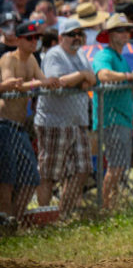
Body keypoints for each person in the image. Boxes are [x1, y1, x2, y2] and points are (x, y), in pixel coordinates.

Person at [35, 19, 96, 218]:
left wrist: (80, 78)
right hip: (54, 122)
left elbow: (92, 79)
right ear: (61, 37)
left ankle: (63, 214)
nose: (76, 38)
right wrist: (81, 76)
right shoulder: (55, 55)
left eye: (79, 34)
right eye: (71, 34)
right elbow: (57, 82)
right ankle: (44, 218)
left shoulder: (81, 55)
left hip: (77, 121)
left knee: (82, 170)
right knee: (49, 174)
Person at [0, 21, 56, 224]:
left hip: (19, 126)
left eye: (37, 38)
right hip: (4, 125)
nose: (35, 42)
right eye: (30, 38)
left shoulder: (31, 59)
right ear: (19, 39)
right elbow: (13, 85)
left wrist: (50, 81)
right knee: (6, 181)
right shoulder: (8, 59)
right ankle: (6, 222)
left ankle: (13, 221)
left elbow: (44, 80)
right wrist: (42, 82)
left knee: (31, 177)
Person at [91, 14, 133, 210]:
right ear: (110, 35)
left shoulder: (121, 57)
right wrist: (128, 76)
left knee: (119, 166)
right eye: (121, 30)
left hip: (123, 117)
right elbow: (103, 75)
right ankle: (105, 207)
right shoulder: (104, 55)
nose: (126, 34)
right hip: (110, 117)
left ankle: (112, 203)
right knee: (115, 166)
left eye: (127, 30)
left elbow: (124, 81)